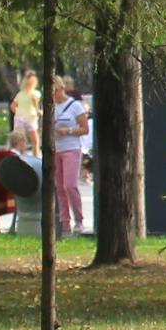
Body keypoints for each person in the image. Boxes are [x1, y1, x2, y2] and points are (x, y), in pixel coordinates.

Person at [48, 76, 91, 236]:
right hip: (56, 150)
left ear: (60, 89)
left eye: (54, 92)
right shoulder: (51, 106)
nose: (53, 96)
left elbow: (84, 129)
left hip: (71, 148)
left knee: (69, 185)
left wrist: (69, 131)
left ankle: (79, 220)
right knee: (59, 187)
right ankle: (65, 222)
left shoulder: (75, 105)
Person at [10, 71, 45, 154]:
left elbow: (12, 106)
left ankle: (20, 155)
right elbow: (35, 105)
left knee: (19, 140)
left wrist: (18, 112)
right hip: (31, 117)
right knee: (35, 140)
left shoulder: (20, 94)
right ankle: (35, 156)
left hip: (20, 117)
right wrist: (39, 112)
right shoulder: (36, 93)